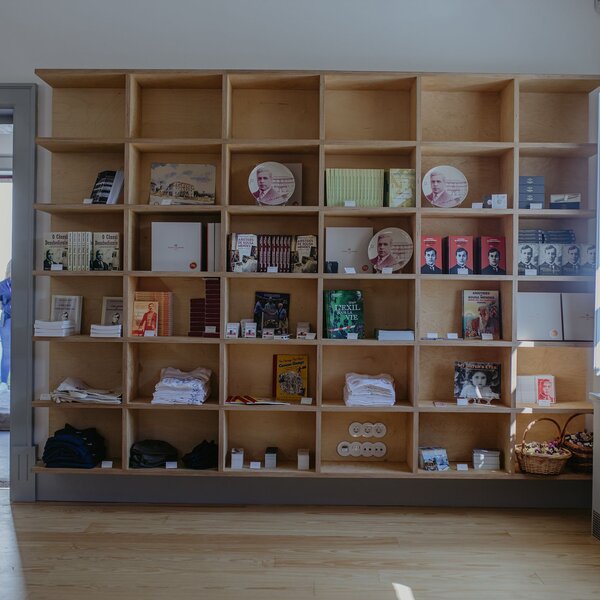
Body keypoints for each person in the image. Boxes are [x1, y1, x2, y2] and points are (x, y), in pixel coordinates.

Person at [0, 261, 11, 391]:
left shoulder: (25, 283)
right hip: (7, 320)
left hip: (23, 320)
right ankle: (3, 383)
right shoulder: (3, 285)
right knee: (7, 353)